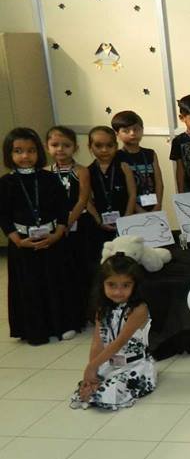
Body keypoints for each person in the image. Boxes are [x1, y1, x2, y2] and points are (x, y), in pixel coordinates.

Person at [0, 128, 78, 344]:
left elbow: (62, 209)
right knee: (30, 286)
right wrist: (17, 240)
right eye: (18, 151)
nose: (25, 156)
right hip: (23, 242)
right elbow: (3, 216)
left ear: (39, 152)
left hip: (52, 239)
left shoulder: (49, 178)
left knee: (57, 283)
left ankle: (62, 324)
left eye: (31, 150)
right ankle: (35, 330)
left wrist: (58, 233)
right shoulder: (5, 183)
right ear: (9, 153)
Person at [70, 254, 156, 410]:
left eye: (125, 285)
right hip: (109, 364)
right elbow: (97, 342)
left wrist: (91, 367)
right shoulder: (102, 308)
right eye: (111, 285)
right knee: (83, 391)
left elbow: (119, 343)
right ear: (102, 284)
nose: (118, 292)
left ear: (135, 285)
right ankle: (96, 388)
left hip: (134, 366)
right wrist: (93, 371)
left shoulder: (139, 309)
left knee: (106, 395)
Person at [47, 126, 96, 321]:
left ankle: (87, 310)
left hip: (79, 223)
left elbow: (83, 200)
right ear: (47, 147)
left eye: (66, 145)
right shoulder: (46, 172)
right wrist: (58, 225)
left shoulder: (81, 171)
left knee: (82, 266)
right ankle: (67, 311)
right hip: (55, 226)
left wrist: (66, 223)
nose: (60, 149)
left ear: (75, 147)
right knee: (61, 269)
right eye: (55, 145)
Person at [87, 126, 137, 250]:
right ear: (90, 147)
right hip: (100, 224)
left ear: (116, 146)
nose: (104, 150)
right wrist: (99, 221)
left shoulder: (124, 167)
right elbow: (87, 201)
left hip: (126, 221)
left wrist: (126, 218)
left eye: (109, 145)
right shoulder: (87, 171)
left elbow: (132, 194)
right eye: (98, 146)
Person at [113, 110, 163, 212]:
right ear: (117, 134)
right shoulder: (117, 156)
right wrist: (137, 209)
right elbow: (123, 189)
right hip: (130, 209)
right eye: (126, 131)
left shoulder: (150, 153)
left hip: (153, 207)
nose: (132, 133)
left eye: (136, 129)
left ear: (142, 130)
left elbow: (159, 182)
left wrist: (158, 205)